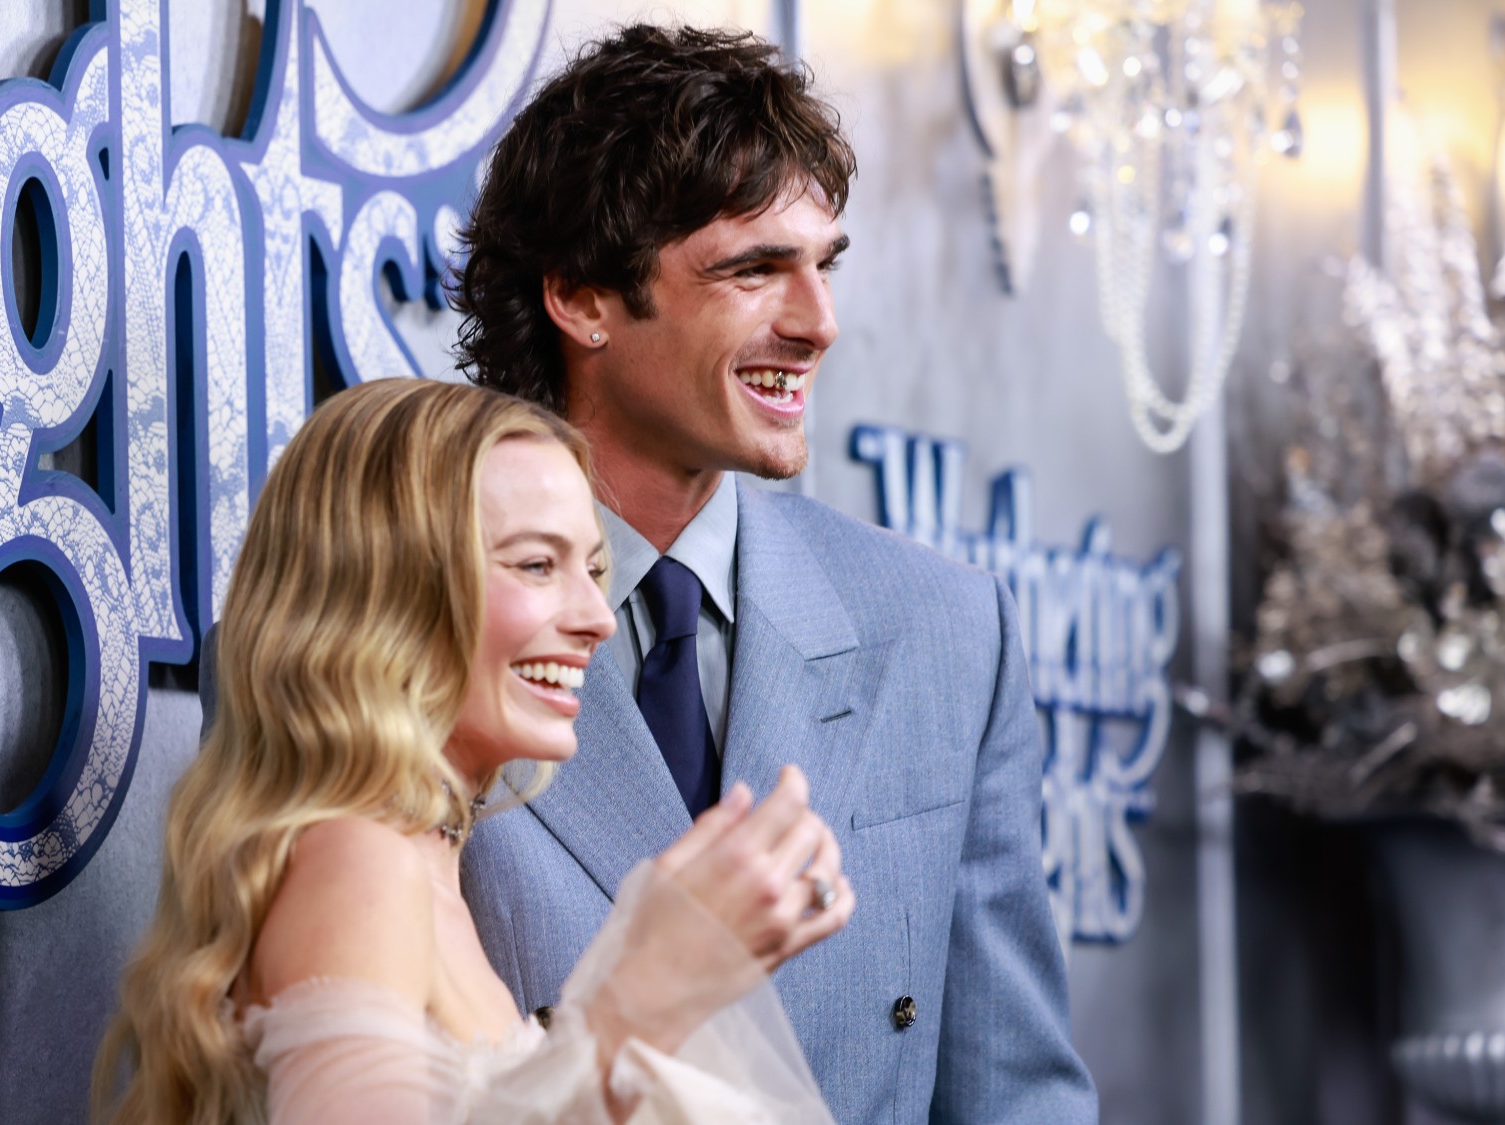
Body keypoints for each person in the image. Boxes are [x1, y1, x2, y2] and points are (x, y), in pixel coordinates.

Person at [450, 25, 1099, 1123]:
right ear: (582, 299)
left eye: (821, 266)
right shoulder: (408, 612)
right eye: (752, 271)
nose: (816, 323)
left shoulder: (944, 628)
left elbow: (1014, 1095)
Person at [95, 378, 854, 1123]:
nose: (599, 617)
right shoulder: (362, 862)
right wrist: (641, 996)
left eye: (592, 569)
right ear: (388, 592)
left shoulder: (422, 865)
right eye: (535, 564)